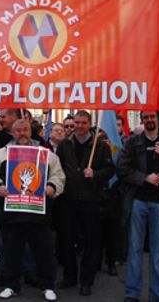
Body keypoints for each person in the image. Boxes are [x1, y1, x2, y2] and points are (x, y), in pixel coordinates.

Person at [0, 119, 66, 301]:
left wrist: (52, 187)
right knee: (12, 252)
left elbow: (58, 175)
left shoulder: (46, 154)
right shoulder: (1, 155)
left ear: (31, 131)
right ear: (12, 132)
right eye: (18, 130)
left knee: (44, 251)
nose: (22, 133)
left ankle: (47, 285)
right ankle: (11, 285)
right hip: (12, 214)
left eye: (25, 130)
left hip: (39, 214)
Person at [117, 110, 159, 302]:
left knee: (157, 253)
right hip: (138, 201)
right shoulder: (132, 142)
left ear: (157, 119)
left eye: (152, 117)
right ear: (142, 120)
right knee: (135, 250)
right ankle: (132, 293)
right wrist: (144, 178)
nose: (149, 120)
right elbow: (122, 168)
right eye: (145, 118)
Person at [56, 110, 115, 296]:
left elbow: (110, 170)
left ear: (89, 124)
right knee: (67, 240)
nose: (79, 127)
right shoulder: (65, 145)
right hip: (68, 199)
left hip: (90, 200)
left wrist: (96, 174)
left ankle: (86, 280)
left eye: (83, 123)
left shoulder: (101, 146)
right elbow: (58, 168)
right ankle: (70, 275)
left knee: (91, 242)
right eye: (77, 123)